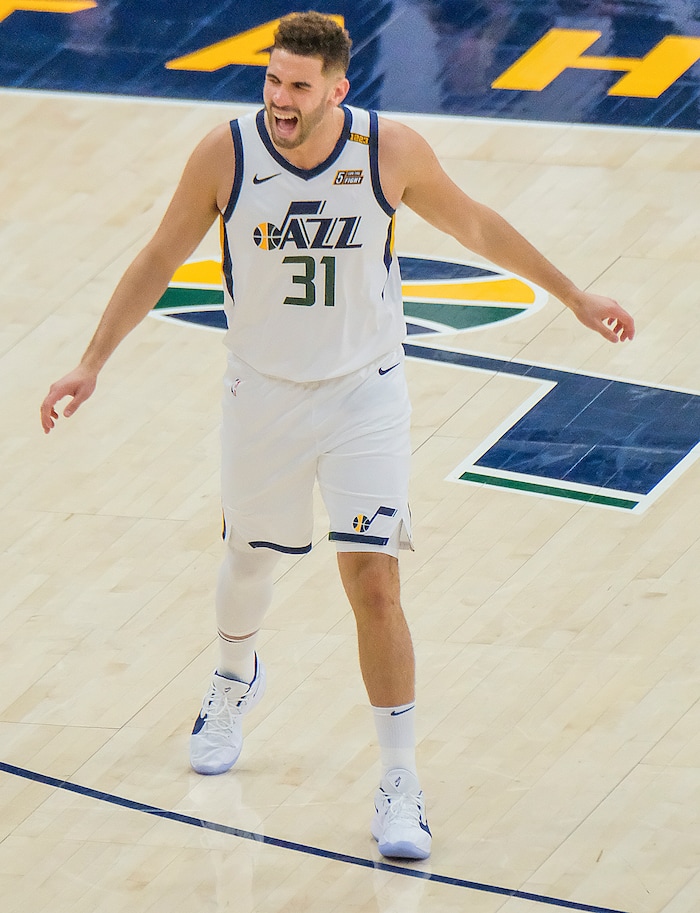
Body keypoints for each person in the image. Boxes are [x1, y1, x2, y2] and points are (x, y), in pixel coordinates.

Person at [40, 11, 635, 862]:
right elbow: (159, 256)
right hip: (263, 395)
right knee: (251, 561)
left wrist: (574, 295)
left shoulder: (386, 151)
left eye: (298, 86)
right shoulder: (227, 152)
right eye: (273, 81)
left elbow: (476, 225)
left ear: (337, 90)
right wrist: (91, 360)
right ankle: (234, 675)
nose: (280, 99)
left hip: (365, 393)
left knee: (375, 583)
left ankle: (400, 779)